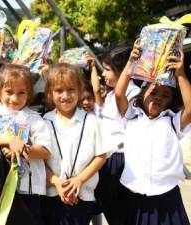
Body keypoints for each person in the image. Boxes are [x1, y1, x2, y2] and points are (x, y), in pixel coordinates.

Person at [115, 42, 191, 225]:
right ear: (142, 94)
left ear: (171, 102)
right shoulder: (131, 117)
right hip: (135, 196)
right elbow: (119, 94)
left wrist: (180, 74)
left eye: (165, 95)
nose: (158, 97)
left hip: (167, 197)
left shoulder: (172, 122)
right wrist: (131, 62)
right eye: (154, 92)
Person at [0, 64, 52, 225]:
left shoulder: (35, 118)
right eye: (9, 92)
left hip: (28, 190)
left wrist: (22, 149)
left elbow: (45, 150)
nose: (14, 98)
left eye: (21, 93)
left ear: (29, 93)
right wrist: (9, 140)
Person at [43, 63, 108, 225]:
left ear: (79, 91)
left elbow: (101, 155)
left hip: (82, 195)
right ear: (50, 94)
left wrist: (79, 179)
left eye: (71, 90)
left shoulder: (92, 121)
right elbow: (39, 161)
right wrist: (57, 182)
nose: (65, 95)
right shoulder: (43, 122)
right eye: (59, 90)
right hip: (51, 193)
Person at [88, 46, 141, 225]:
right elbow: (96, 93)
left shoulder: (132, 94)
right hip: (108, 157)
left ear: (121, 69)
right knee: (109, 208)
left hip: (121, 159)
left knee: (121, 212)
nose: (104, 74)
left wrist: (132, 61)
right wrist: (92, 68)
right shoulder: (110, 95)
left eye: (108, 70)